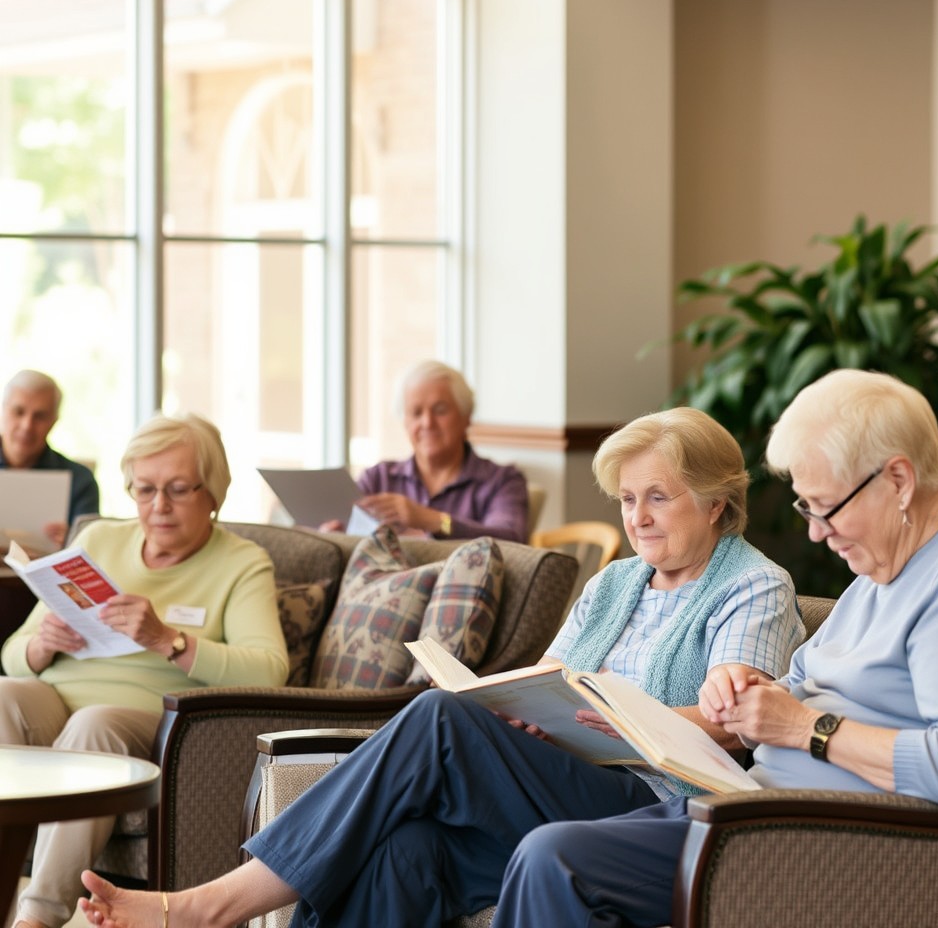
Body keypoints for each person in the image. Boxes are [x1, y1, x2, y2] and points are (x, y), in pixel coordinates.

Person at [78, 406, 804, 928]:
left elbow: (733, 726)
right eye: (625, 500)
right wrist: (519, 705)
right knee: (408, 850)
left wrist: (614, 720)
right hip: (572, 781)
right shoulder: (616, 581)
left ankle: (209, 907)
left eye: (657, 497)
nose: (637, 517)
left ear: (715, 503)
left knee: (436, 718)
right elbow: (549, 676)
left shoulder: (752, 585)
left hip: (655, 809)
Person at [473, 368, 938, 927]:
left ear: (899, 481)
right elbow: (798, 690)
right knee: (531, 852)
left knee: (554, 860)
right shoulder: (880, 575)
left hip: (836, 841)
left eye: (824, 505)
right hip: (758, 809)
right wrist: (748, 696)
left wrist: (801, 728)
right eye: (806, 508)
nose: (815, 532)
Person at [2, 413, 289, 928]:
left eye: (178, 489)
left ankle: (37, 917)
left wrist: (169, 641)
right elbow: (12, 651)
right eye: (144, 489)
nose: (158, 507)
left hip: (148, 719)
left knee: (95, 723)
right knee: (3, 693)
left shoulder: (243, 563)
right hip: (57, 697)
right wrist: (40, 646)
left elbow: (270, 672)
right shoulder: (99, 541)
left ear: (213, 491)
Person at [321, 360, 529, 542]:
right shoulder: (379, 478)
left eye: (440, 410)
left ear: (466, 417)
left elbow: (511, 539)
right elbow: (343, 526)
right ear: (405, 422)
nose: (427, 422)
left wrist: (431, 520)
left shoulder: (502, 481)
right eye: (416, 412)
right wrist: (330, 535)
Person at [0, 369, 100, 547]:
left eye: (39, 416)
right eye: (18, 412)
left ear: (54, 420)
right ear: (3, 410)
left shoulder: (80, 481)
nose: (27, 426)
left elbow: (92, 551)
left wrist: (73, 541)